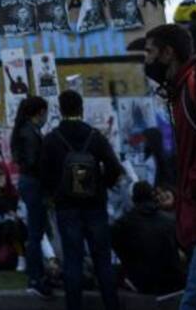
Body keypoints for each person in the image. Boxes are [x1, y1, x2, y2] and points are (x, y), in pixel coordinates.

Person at [139, 24, 196, 310]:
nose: (147, 60)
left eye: (150, 52)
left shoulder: (193, 87)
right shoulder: (180, 90)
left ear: (168, 53)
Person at [41, 89, 122, 310]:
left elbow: (44, 174)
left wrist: (56, 192)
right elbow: (115, 167)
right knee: (102, 261)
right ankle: (111, 305)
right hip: (95, 206)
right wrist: (101, 185)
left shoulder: (51, 139)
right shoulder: (95, 137)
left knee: (73, 260)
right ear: (81, 108)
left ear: (60, 109)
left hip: (66, 207)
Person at [111, 180, 185, 296]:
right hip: (172, 280)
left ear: (134, 199)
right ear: (152, 196)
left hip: (142, 282)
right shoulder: (170, 220)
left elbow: (116, 246)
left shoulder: (123, 224)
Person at [11, 95, 52, 297]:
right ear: (40, 112)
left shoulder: (26, 130)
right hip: (34, 184)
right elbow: (34, 161)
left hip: (31, 183)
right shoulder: (30, 133)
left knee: (36, 232)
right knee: (36, 233)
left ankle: (37, 275)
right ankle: (35, 278)